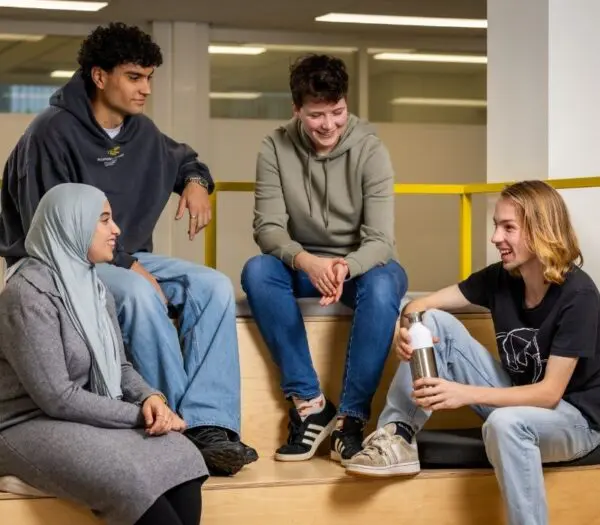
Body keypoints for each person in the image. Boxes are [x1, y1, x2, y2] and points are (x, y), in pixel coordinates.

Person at [0, 22, 256, 475]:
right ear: (100, 76)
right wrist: (128, 267)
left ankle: (211, 425)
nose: (146, 89)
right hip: (62, 265)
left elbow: (185, 159)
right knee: (138, 293)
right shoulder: (49, 133)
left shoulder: (141, 132)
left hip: (122, 254)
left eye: (150, 78)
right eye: (134, 77)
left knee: (213, 286)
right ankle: (175, 423)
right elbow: (52, 230)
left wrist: (196, 182)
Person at [346, 180, 600, 525]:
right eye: (496, 225)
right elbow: (420, 306)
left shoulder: (579, 294)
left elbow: (548, 393)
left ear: (541, 230)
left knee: (505, 423)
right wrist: (407, 332)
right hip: (520, 402)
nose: (495, 237)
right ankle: (397, 435)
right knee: (433, 320)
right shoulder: (502, 278)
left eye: (508, 227)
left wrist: (463, 394)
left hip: (576, 422)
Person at [0, 183, 208, 525]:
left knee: (181, 454)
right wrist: (139, 416)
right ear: (72, 224)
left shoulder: (95, 288)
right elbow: (58, 399)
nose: (117, 229)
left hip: (74, 417)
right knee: (125, 477)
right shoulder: (27, 295)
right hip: (22, 423)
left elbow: (120, 366)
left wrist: (150, 398)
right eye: (104, 220)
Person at [241, 54, 408, 465]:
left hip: (361, 268)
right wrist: (308, 262)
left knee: (384, 284)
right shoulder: (274, 147)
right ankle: (310, 404)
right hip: (305, 266)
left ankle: (350, 421)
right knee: (258, 271)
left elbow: (381, 241)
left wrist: (344, 266)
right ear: (296, 109)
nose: (329, 124)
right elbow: (268, 228)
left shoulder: (370, 149)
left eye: (338, 112)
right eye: (316, 115)